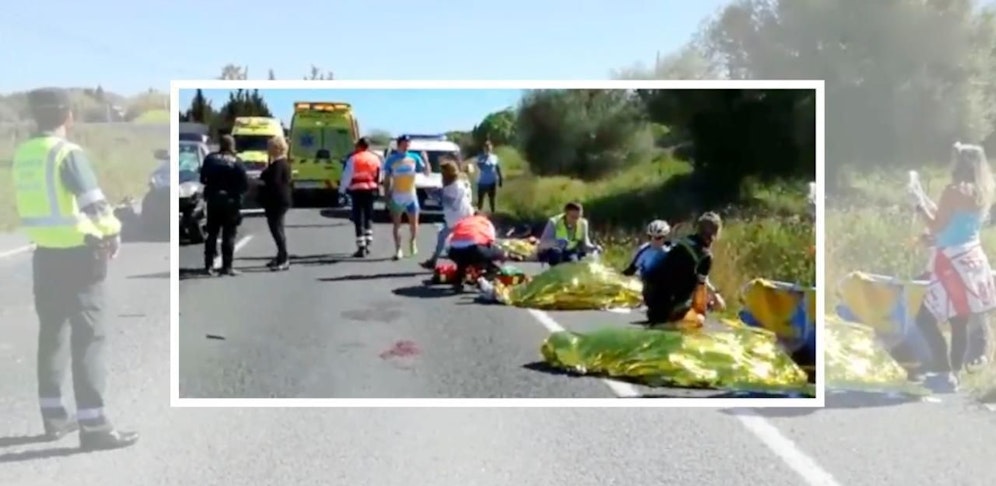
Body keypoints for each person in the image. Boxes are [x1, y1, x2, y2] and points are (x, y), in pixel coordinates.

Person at [12, 87, 138, 450]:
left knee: (52, 334)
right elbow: (93, 203)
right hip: (81, 255)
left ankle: (53, 417)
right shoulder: (66, 153)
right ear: (68, 115)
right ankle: (94, 426)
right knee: (89, 339)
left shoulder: (25, 154)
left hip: (45, 254)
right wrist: (113, 231)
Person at [909, 142, 996, 392]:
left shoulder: (952, 190)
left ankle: (941, 368)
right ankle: (952, 375)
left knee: (922, 316)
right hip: (973, 260)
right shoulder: (983, 191)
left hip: (950, 264)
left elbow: (937, 226)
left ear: (961, 164)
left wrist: (918, 205)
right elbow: (953, 224)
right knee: (959, 321)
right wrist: (925, 203)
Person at [642, 212, 725, 325]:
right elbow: (700, 293)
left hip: (651, 300)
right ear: (716, 233)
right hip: (670, 309)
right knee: (700, 319)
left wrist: (714, 294)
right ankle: (676, 320)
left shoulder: (682, 242)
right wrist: (704, 310)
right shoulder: (705, 256)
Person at [201, 135, 249, 276]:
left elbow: (202, 178)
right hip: (231, 202)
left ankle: (208, 265)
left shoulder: (210, 159)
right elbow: (244, 184)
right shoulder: (237, 162)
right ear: (232, 146)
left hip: (213, 200)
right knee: (229, 235)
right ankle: (227, 267)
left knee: (212, 234)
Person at [420, 158, 474, 269]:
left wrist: (432, 193)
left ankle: (465, 265)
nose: (441, 175)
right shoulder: (455, 183)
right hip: (461, 215)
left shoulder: (455, 187)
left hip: (458, 217)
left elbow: (446, 201)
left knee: (459, 241)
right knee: (445, 236)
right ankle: (434, 260)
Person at [382, 135, 430, 260]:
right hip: (397, 195)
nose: (407, 145)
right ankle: (398, 249)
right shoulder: (391, 159)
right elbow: (387, 180)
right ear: (399, 144)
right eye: (405, 143)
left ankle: (413, 242)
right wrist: (386, 195)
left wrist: (426, 160)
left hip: (411, 195)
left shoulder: (414, 157)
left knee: (414, 223)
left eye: (409, 143)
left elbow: (427, 173)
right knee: (397, 224)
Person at [339, 137, 382, 257]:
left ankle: (361, 247)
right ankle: (368, 242)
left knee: (358, 218)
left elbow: (347, 176)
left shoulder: (354, 159)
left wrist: (342, 190)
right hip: (371, 189)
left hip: (357, 190)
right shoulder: (375, 158)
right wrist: (377, 186)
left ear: (359, 146)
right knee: (368, 216)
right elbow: (379, 175)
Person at [446, 212, 508, 292]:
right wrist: (501, 255)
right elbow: (491, 241)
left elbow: (450, 239)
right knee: (497, 253)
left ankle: (459, 280)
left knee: (463, 260)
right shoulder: (485, 222)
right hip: (475, 250)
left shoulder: (463, 221)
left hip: (454, 251)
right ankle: (485, 276)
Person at [258, 135, 292, 270]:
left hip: (277, 200)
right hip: (281, 200)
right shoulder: (281, 163)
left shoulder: (279, 164)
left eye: (269, 147)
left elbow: (274, 182)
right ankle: (280, 256)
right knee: (278, 228)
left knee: (276, 229)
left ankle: (284, 258)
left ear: (276, 148)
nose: (267, 149)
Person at [536, 201, 597, 266]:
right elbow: (542, 244)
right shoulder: (554, 222)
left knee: (577, 258)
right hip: (551, 254)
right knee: (556, 253)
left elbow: (585, 244)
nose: (575, 220)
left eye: (578, 217)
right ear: (566, 214)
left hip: (568, 252)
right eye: (572, 217)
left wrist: (593, 248)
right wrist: (557, 242)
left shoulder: (583, 223)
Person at [475, 141, 503, 213]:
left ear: (491, 148)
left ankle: (493, 214)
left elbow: (498, 168)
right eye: (486, 147)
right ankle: (478, 214)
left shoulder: (495, 157)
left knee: (492, 199)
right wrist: (484, 159)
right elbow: (480, 166)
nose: (487, 149)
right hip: (482, 182)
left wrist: (500, 179)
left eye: (489, 147)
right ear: (484, 148)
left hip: (492, 182)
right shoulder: (480, 157)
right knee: (480, 200)